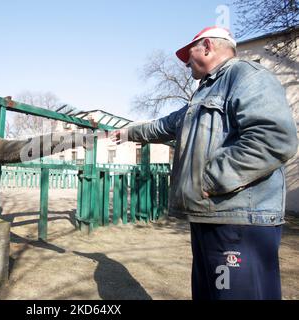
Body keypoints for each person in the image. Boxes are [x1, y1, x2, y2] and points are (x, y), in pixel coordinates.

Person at [109, 26, 298, 300]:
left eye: (190, 53)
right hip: (210, 216)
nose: (186, 62)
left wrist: (208, 181)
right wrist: (125, 132)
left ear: (207, 46)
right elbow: (164, 125)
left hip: (239, 223)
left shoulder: (247, 76)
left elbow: (273, 138)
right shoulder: (202, 95)